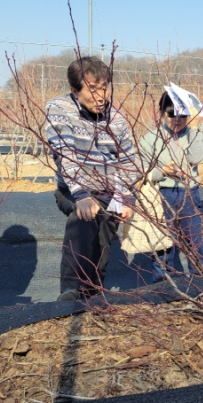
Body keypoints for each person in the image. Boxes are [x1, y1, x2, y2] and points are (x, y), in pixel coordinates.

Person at [45, 57, 136, 301]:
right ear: (75, 90)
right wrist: (82, 194)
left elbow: (128, 160)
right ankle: (71, 290)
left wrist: (127, 197)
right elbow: (65, 152)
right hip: (73, 190)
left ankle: (94, 293)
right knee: (83, 218)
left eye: (104, 86)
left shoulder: (116, 118)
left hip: (110, 192)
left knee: (104, 237)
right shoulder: (60, 109)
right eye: (92, 89)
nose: (100, 95)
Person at [138, 92, 203, 282]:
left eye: (183, 114)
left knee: (194, 241)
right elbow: (140, 172)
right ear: (161, 113)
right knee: (162, 242)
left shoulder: (193, 134)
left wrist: (194, 128)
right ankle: (163, 283)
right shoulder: (150, 139)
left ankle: (200, 282)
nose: (177, 119)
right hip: (162, 195)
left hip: (189, 193)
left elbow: (196, 158)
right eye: (171, 114)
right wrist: (162, 172)